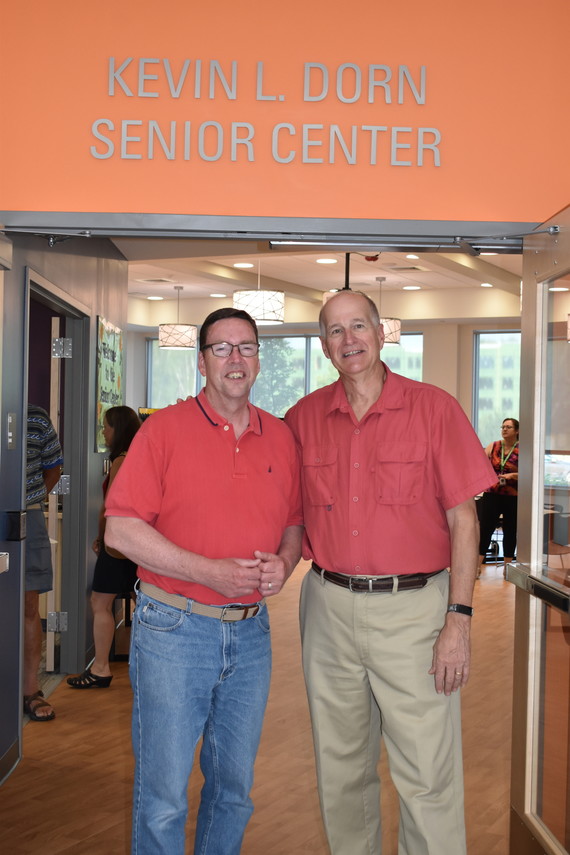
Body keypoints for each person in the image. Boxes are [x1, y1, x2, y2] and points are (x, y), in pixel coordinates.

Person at [284, 290, 497, 855]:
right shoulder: (303, 419)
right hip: (327, 610)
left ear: (382, 333)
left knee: (427, 774)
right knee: (341, 771)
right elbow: (282, 517)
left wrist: (459, 618)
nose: (348, 339)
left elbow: (464, 522)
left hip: (416, 612)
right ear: (324, 345)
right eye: (335, 330)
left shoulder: (434, 409)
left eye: (359, 326)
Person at [104, 307, 303, 855]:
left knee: (234, 791)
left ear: (259, 358)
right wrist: (206, 570)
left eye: (247, 347)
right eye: (223, 348)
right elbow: (121, 529)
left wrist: (284, 564)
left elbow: (293, 521)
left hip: (250, 635)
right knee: (164, 795)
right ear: (201, 362)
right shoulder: (163, 431)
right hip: (172, 630)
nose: (236, 359)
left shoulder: (281, 437)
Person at [67, 406, 141, 689]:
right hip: (132, 544)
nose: (104, 433)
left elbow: (109, 509)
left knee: (100, 602)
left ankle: (100, 668)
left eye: (106, 427)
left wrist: (101, 539)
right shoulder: (135, 457)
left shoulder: (121, 461)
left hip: (117, 547)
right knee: (141, 602)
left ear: (117, 429)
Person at [23, 404, 63, 722]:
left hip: (26, 516)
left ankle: (30, 689)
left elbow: (54, 467)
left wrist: (32, 499)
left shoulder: (36, 417)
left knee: (28, 608)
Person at [477, 417, 519, 575]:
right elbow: (479, 464)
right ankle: (477, 567)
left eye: (508, 427)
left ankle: (507, 569)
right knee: (485, 529)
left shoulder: (523, 448)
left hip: (513, 496)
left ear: (517, 431)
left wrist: (514, 476)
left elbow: (530, 474)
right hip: (492, 494)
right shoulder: (493, 446)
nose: (504, 429)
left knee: (510, 530)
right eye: (503, 426)